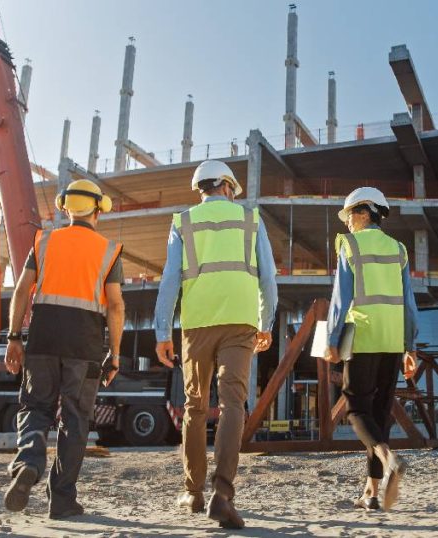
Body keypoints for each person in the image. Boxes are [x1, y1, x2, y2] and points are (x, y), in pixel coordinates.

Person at [154, 160, 277, 529]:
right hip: (241, 323)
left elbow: (170, 280)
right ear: (227, 186)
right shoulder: (252, 220)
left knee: (194, 405)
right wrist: (266, 322)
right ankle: (222, 495)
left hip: (196, 324)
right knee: (232, 404)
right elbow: (268, 278)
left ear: (201, 188)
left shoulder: (182, 221)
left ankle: (192, 492)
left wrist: (163, 331)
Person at [2, 179, 126, 520]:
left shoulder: (44, 241)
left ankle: (28, 462)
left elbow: (23, 289)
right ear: (98, 210)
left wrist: (14, 337)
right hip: (84, 346)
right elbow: (115, 306)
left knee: (35, 407)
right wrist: (114, 354)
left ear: (66, 208)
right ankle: (62, 500)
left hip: (42, 339)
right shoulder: (109, 250)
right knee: (75, 420)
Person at [322, 187, 419, 512]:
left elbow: (341, 297)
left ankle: (389, 460)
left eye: (349, 214)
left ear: (365, 211)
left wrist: (331, 340)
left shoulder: (349, 245)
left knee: (356, 410)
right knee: (378, 418)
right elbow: (409, 302)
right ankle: (372, 494)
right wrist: (410, 346)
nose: (347, 222)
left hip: (362, 336)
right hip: (392, 340)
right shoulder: (398, 249)